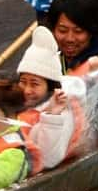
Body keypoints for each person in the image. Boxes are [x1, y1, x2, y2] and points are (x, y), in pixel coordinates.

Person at [15, 26, 83, 170]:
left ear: (51, 87)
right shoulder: (17, 105)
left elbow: (48, 160)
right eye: (23, 82)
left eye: (34, 84)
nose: (27, 90)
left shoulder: (63, 110)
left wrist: (52, 115)